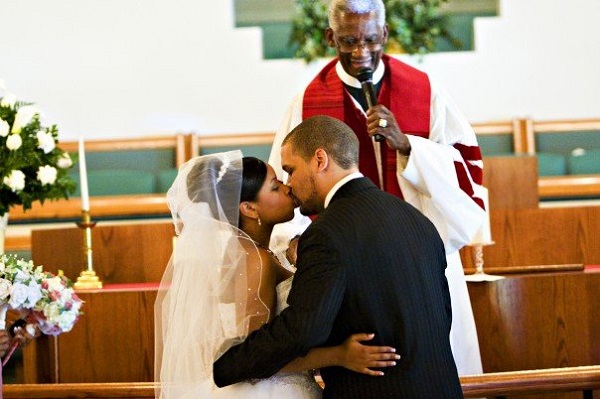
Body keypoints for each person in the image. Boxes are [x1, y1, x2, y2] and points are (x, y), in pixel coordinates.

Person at [268, 0, 487, 375]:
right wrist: (295, 236)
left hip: (418, 257)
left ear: (384, 34)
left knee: (431, 369)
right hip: (346, 267)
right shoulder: (308, 101)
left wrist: (408, 147)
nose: (361, 52)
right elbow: (285, 178)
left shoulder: (425, 91)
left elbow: (466, 170)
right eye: (348, 41)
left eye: (371, 40)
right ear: (329, 38)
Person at [214, 116, 463, 398]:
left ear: (319, 160)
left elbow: (304, 330)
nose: (290, 184)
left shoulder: (326, 233)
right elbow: (442, 314)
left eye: (291, 170)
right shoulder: (416, 220)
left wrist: (227, 366)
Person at [155, 151, 398, 399]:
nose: (287, 187)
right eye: (274, 186)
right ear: (249, 208)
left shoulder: (254, 252)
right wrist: (340, 354)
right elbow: (255, 359)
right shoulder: (254, 259)